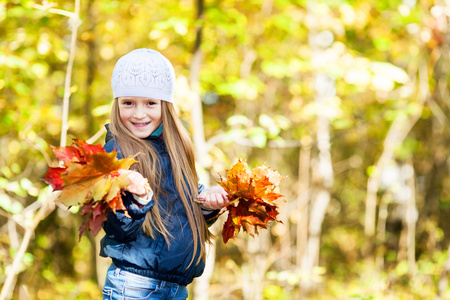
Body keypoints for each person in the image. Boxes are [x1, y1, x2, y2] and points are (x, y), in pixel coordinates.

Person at [100, 48, 228, 300]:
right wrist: (137, 200)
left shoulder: (176, 149)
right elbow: (117, 229)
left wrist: (207, 205)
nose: (138, 113)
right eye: (128, 103)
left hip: (176, 288)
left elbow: (184, 209)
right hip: (134, 287)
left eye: (150, 103)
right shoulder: (116, 153)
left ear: (165, 106)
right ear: (117, 104)